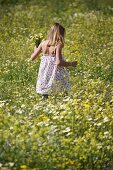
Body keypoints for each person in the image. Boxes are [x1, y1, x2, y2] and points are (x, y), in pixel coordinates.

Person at [31, 23, 77, 99]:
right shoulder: (58, 44)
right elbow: (58, 62)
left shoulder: (43, 43)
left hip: (45, 72)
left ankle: (44, 105)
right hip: (56, 72)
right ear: (60, 34)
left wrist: (36, 46)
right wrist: (71, 63)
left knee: (46, 91)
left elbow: (33, 57)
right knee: (63, 90)